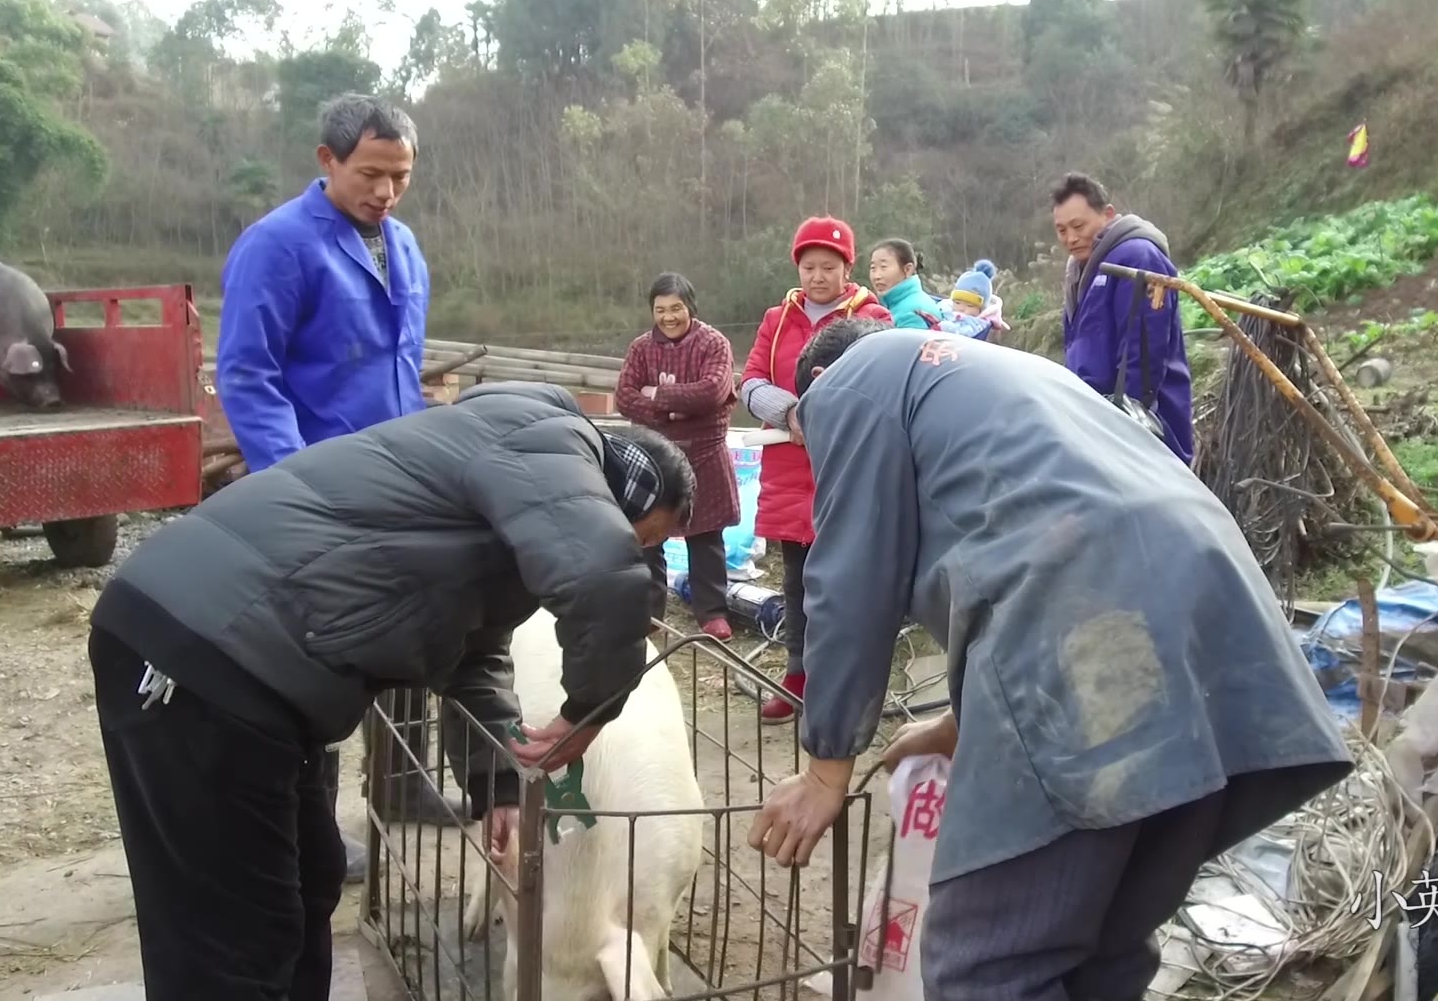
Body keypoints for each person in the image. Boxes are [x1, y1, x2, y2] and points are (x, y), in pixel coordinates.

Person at [747, 320, 1352, 1000]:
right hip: (1212, 599)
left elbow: (851, 580)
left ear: (818, 390)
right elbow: (1022, 533)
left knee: (992, 963)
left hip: (1093, 618)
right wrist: (951, 730)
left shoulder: (852, 384)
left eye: (808, 436)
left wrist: (827, 774)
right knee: (1106, 944)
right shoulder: (997, 372)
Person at [88, 382, 694, 1001]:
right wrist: (588, 713)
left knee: (309, 880)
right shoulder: (550, 450)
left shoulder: (513, 496)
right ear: (620, 499)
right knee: (232, 935)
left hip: (260, 675)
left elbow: (476, 658)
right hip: (198, 654)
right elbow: (605, 581)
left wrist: (500, 788)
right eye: (643, 539)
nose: (637, 554)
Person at [215, 92, 444, 881]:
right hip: (318, 486)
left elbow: (401, 367)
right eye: (371, 175)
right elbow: (248, 374)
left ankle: (406, 785)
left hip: (399, 477)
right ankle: (315, 830)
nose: (385, 193)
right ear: (327, 161)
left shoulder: (404, 245)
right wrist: (293, 482)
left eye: (401, 177)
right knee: (320, 662)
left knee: (410, 631)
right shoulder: (277, 245)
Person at [738, 216, 895, 723]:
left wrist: (826, 409)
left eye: (829, 266)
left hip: (846, 466)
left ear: (847, 268)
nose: (817, 276)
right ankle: (797, 674)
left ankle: (848, 681)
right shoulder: (775, 319)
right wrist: (791, 411)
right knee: (796, 580)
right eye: (809, 267)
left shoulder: (873, 317)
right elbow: (751, 382)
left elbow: (884, 380)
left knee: (849, 578)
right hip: (789, 469)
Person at [615, 272, 741, 640]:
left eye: (676, 308)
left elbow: (712, 392)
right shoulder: (640, 348)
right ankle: (649, 612)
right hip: (653, 455)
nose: (668, 317)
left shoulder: (713, 343)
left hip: (704, 452)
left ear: (690, 307)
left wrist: (656, 396)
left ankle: (713, 613)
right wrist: (674, 409)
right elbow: (625, 397)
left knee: (705, 537)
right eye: (660, 310)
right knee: (649, 536)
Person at [1051, 172, 1196, 467]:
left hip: (1138, 433)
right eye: (1061, 230)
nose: (1071, 238)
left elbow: (1142, 356)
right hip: (1096, 421)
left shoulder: (1137, 257)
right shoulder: (1081, 268)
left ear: (1107, 215)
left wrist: (1128, 426)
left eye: (1078, 226)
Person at [869, 238, 942, 329]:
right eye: (873, 268)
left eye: (884, 267)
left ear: (907, 270)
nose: (877, 276)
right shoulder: (894, 304)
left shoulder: (914, 312)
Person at [933, 259, 1009, 342]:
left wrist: (942, 327)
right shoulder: (945, 306)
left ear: (981, 309)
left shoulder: (978, 323)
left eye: (970, 305)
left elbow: (964, 332)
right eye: (957, 303)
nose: (962, 308)